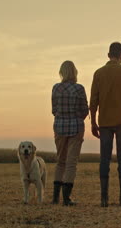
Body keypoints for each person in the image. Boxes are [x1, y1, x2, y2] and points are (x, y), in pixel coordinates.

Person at [90, 42, 121, 207]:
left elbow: (93, 101)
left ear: (108, 54)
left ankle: (104, 199)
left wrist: (93, 122)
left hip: (104, 123)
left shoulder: (98, 73)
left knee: (104, 159)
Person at [51, 61, 89, 206]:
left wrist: (62, 116)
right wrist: (76, 117)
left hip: (59, 127)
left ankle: (55, 198)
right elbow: (85, 109)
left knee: (60, 161)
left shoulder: (55, 88)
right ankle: (66, 198)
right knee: (71, 163)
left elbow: (54, 110)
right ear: (75, 72)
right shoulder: (79, 88)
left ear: (61, 72)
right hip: (75, 127)